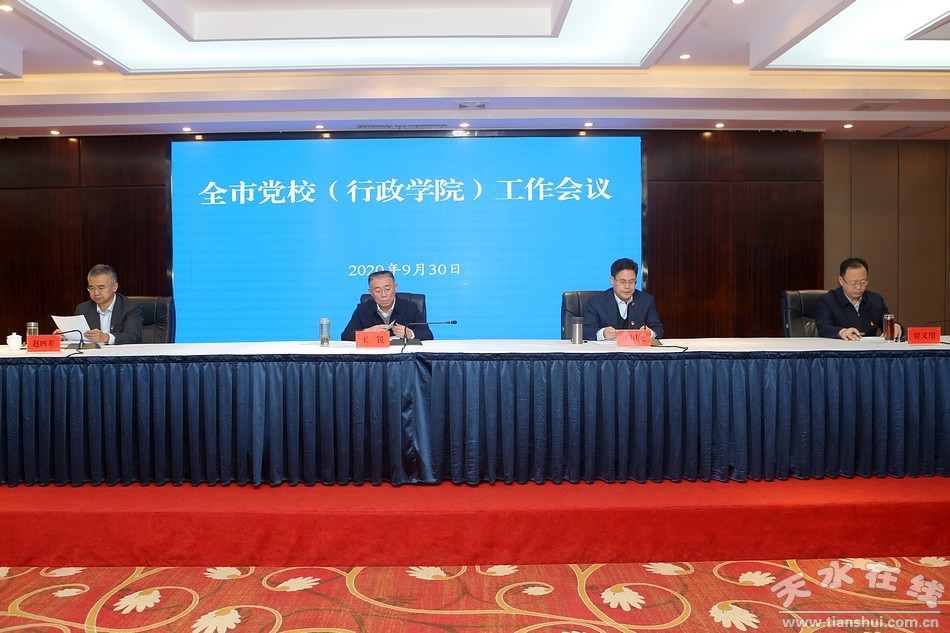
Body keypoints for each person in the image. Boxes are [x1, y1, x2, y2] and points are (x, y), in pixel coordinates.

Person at [814, 257, 901, 341]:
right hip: (840, 349)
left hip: (869, 348)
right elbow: (824, 328)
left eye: (863, 282)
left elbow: (887, 324)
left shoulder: (875, 300)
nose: (858, 287)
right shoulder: (827, 301)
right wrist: (841, 332)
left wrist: (895, 327)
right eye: (853, 283)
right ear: (841, 280)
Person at [582, 258, 664, 341]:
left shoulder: (646, 300)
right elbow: (585, 330)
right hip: (608, 348)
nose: (627, 287)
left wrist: (649, 333)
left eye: (631, 282)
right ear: (612, 280)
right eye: (623, 282)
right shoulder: (596, 302)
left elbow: (658, 329)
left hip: (636, 348)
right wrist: (603, 333)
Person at [341, 270, 433, 341]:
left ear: (395, 288)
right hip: (373, 357)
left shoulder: (410, 307)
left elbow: (428, 335)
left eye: (388, 289)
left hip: (403, 357)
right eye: (377, 291)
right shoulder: (363, 309)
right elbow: (345, 336)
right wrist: (366, 332)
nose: (384, 294)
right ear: (371, 292)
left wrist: (410, 334)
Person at [71, 264, 143, 345]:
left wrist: (106, 337)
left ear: (114, 287)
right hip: (94, 352)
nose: (96, 293)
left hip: (123, 352)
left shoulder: (131, 307)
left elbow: (133, 336)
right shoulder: (83, 309)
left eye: (101, 288)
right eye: (91, 288)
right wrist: (66, 335)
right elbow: (79, 335)